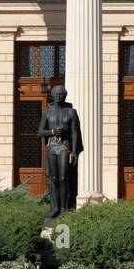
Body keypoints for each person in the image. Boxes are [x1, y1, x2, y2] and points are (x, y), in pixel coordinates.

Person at [37, 85, 83, 217]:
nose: (58, 96)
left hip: (65, 146)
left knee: (63, 177)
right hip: (52, 146)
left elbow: (75, 133)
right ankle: (54, 208)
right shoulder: (47, 112)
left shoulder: (71, 112)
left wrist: (74, 152)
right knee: (53, 178)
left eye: (61, 94)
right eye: (56, 94)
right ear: (52, 95)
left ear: (65, 96)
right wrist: (52, 132)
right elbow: (40, 132)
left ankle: (64, 208)